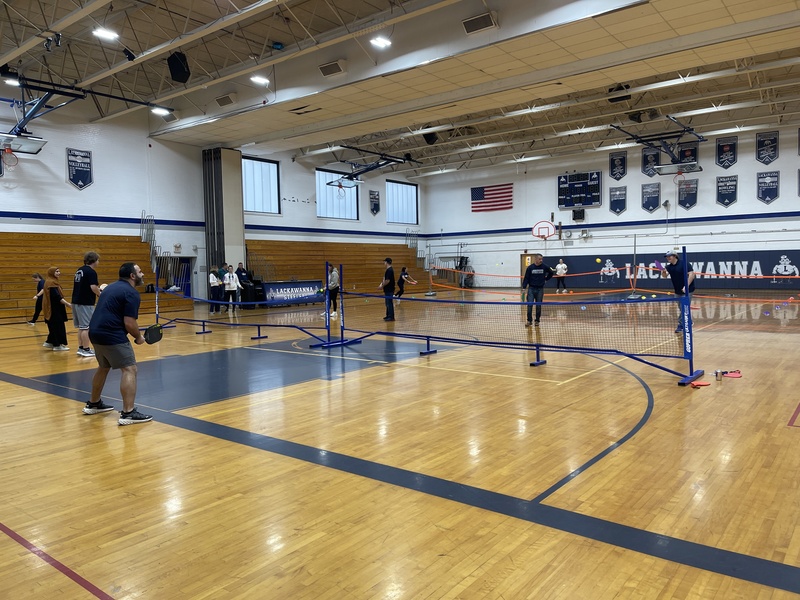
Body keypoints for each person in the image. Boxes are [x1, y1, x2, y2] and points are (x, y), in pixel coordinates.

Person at [84, 262, 152, 425]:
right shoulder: (131, 293)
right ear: (132, 276)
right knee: (130, 369)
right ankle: (128, 413)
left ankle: (94, 404)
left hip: (95, 332)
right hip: (111, 333)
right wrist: (138, 337)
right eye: (140, 272)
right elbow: (129, 323)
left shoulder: (111, 288)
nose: (143, 274)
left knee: (103, 367)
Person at [72, 251, 101, 357]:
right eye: (98, 260)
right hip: (85, 302)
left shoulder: (79, 270)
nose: (98, 262)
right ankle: (86, 349)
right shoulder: (91, 272)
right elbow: (93, 287)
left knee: (82, 327)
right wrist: (100, 294)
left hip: (76, 301)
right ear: (94, 260)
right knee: (86, 327)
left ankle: (81, 348)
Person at [661, 250, 695, 333]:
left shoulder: (684, 263)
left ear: (675, 256)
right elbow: (664, 276)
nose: (668, 258)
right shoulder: (669, 267)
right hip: (677, 291)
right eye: (667, 257)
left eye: (670, 256)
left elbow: (692, 274)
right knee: (681, 308)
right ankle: (689, 321)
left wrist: (686, 286)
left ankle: (681, 325)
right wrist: (663, 272)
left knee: (684, 308)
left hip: (688, 290)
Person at [42, 267, 72, 350]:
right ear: (52, 273)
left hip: (56, 308)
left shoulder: (52, 282)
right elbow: (56, 297)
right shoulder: (51, 283)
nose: (59, 273)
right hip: (54, 309)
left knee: (54, 326)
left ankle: (50, 342)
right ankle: (57, 345)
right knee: (58, 326)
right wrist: (67, 304)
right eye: (57, 271)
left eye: (59, 271)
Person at [521, 254, 554, 327]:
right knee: (529, 305)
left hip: (540, 289)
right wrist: (524, 288)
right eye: (539, 259)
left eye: (542, 259)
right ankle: (529, 320)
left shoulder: (544, 267)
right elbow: (526, 278)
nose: (541, 260)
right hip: (531, 289)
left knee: (538, 306)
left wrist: (546, 279)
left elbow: (551, 273)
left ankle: (537, 321)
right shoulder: (530, 268)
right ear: (535, 259)